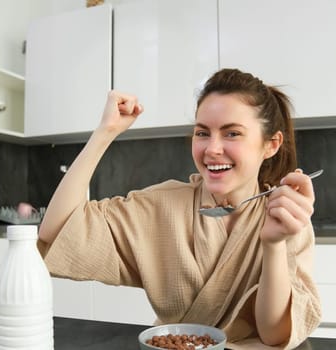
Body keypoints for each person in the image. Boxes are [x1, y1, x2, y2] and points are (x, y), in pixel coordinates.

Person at [37, 68, 321, 349]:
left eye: (232, 133)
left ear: (271, 145)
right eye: (202, 133)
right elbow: (58, 230)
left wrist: (273, 244)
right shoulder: (162, 206)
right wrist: (104, 134)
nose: (212, 149)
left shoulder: (287, 217)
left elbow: (274, 334)